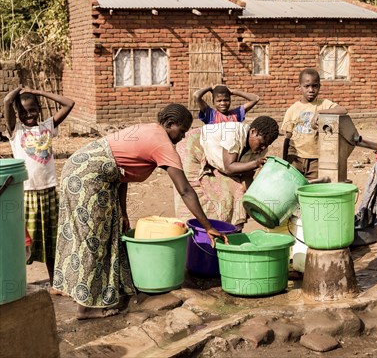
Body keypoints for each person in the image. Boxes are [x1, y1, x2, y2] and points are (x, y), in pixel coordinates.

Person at [52, 103, 228, 320]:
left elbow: (121, 173)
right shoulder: (161, 142)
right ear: (169, 124)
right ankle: (86, 307)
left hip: (84, 171)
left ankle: (89, 290)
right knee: (93, 238)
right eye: (181, 131)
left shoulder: (149, 130)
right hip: (88, 177)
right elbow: (184, 189)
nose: (182, 137)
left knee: (102, 232)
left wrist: (123, 211)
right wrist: (208, 227)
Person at [4, 87, 75, 287]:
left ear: (39, 109)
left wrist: (38, 92)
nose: (28, 115)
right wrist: (19, 91)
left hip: (49, 191)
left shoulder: (47, 126)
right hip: (27, 194)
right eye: (23, 112)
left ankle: (55, 284)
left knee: (52, 241)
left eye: (32, 109)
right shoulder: (15, 131)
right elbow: (7, 101)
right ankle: (19, 283)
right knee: (26, 243)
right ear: (17, 114)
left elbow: (69, 103)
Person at [174, 116, 280, 231]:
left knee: (236, 190)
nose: (264, 147)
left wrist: (253, 201)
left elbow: (246, 176)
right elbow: (229, 167)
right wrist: (255, 163)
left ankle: (230, 229)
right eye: (262, 143)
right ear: (253, 132)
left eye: (267, 145)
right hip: (194, 147)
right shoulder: (234, 133)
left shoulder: (261, 150)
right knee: (192, 190)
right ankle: (192, 230)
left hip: (217, 161)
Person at [282, 68, 347, 180]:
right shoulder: (292, 110)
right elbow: (287, 138)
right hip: (295, 158)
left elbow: (343, 110)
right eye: (307, 86)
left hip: (316, 159)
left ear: (319, 87)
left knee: (313, 187)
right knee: (294, 187)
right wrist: (284, 162)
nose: (311, 90)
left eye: (315, 86)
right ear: (299, 87)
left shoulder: (323, 104)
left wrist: (320, 113)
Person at [193, 84, 260, 124]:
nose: (223, 103)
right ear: (213, 102)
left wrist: (233, 92)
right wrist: (210, 88)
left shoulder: (236, 114)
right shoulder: (210, 114)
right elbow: (196, 95)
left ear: (230, 100)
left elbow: (256, 98)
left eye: (226, 100)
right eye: (219, 101)